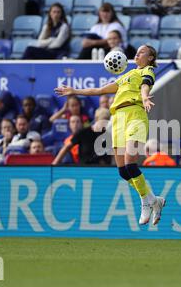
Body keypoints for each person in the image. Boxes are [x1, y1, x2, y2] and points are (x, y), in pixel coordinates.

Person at [54, 45, 166, 226]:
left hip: (134, 114)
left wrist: (145, 97)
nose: (137, 53)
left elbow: (145, 85)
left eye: (142, 51)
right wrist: (75, 91)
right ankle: (154, 200)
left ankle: (146, 202)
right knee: (122, 171)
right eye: (137, 51)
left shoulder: (148, 71)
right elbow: (99, 91)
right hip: (118, 119)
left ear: (151, 57)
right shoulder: (125, 76)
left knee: (131, 163)